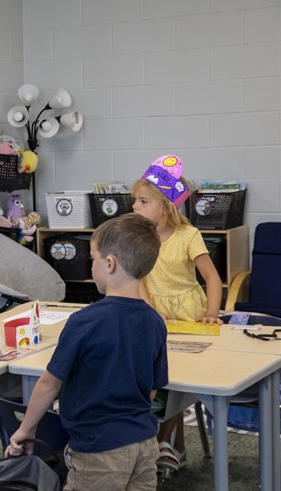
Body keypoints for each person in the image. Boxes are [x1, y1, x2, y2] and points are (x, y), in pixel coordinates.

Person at [5, 213, 167, 491]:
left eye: (93, 259)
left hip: (98, 448)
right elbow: (152, 391)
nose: (92, 267)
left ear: (109, 263)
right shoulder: (155, 321)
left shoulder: (84, 321)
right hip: (145, 443)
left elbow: (48, 384)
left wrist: (26, 429)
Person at [131, 154, 222, 472]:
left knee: (178, 377)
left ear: (165, 206)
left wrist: (211, 313)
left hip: (188, 315)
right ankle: (174, 446)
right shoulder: (141, 238)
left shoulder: (188, 236)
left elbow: (212, 279)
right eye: (135, 201)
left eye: (142, 201)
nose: (135, 207)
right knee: (161, 375)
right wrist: (151, 311)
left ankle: (163, 442)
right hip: (157, 315)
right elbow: (139, 278)